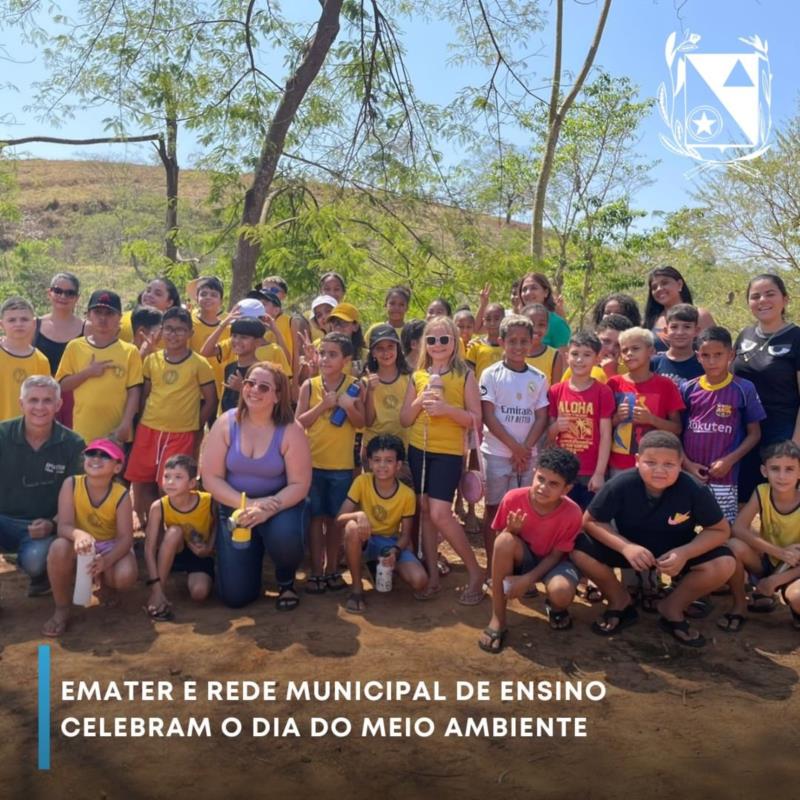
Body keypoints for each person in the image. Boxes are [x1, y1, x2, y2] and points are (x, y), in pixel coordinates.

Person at [571, 431, 735, 647]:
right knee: (579, 549)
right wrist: (626, 547)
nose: (659, 470)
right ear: (637, 461)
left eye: (669, 464)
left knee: (725, 562)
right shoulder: (620, 484)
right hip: (630, 552)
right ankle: (620, 601)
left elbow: (720, 530)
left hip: (675, 553)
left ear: (680, 464)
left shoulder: (694, 489)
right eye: (651, 462)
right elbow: (590, 521)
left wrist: (685, 553)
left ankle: (672, 608)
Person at [202, 362, 311, 610]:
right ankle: (251, 553)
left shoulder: (291, 429)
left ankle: (285, 580)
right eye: (250, 383)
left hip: (279, 506)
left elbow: (299, 484)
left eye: (264, 387)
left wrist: (266, 510)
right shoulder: (226, 422)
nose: (254, 390)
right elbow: (211, 478)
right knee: (236, 597)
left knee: (285, 536)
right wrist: (249, 505)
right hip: (235, 506)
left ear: (277, 395)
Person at [399, 315, 486, 603]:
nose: (437, 344)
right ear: (425, 343)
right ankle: (433, 577)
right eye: (432, 339)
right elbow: (405, 419)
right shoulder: (418, 375)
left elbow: (476, 419)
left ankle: (475, 572)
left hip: (448, 452)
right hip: (418, 448)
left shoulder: (465, 375)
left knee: (439, 513)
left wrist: (447, 410)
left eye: (444, 339)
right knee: (425, 510)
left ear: (455, 342)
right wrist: (420, 399)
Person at [479, 448, 583, 653]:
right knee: (504, 541)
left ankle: (555, 607)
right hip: (524, 557)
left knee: (561, 593)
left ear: (566, 489)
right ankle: (498, 618)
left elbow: (556, 555)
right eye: (541, 479)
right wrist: (512, 530)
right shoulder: (512, 498)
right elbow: (501, 543)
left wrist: (527, 580)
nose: (543, 487)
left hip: (555, 563)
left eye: (553, 484)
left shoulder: (573, 513)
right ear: (534, 473)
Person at [125, 307, 217, 526]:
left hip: (180, 433)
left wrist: (196, 425)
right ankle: (150, 528)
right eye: (168, 329)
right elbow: (144, 395)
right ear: (161, 331)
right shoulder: (152, 360)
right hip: (148, 429)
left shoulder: (199, 364)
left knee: (169, 484)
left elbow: (211, 400)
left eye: (180, 330)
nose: (173, 334)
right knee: (143, 480)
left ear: (190, 333)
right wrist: (139, 422)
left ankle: (172, 529)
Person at [0, 375, 84, 598]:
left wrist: (52, 523)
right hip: (3, 520)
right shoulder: (2, 435)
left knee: (36, 560)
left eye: (47, 400)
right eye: (33, 400)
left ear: (58, 404)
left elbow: (78, 496)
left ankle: (42, 576)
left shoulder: (73, 444)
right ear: (21, 404)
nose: (40, 407)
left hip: (43, 527)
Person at [43, 438, 137, 636]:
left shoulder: (121, 494)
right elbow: (63, 526)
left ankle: (106, 583)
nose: (96, 458)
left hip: (110, 546)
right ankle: (62, 608)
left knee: (125, 575)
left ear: (117, 467)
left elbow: (125, 539)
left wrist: (106, 561)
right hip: (80, 546)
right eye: (91, 453)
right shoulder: (71, 484)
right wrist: (79, 534)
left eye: (105, 455)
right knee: (59, 547)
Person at [296, 332, 365, 593]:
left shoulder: (355, 386)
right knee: (316, 519)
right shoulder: (309, 385)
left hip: (342, 467)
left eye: (332, 354)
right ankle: (316, 570)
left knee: (336, 520)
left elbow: (361, 423)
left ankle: (333, 568)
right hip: (313, 465)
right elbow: (299, 422)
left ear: (346, 360)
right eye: (322, 353)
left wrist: (348, 406)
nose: (325, 359)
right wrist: (323, 406)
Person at [479, 315, 549, 570]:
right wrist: (514, 448)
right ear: (502, 342)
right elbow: (488, 415)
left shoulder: (539, 377)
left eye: (524, 341)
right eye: (512, 341)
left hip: (528, 457)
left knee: (524, 511)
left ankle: (517, 567)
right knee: (494, 509)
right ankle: (492, 568)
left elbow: (541, 416)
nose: (518, 346)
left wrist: (525, 449)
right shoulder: (490, 374)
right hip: (497, 454)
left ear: (532, 342)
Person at [681, 327, 764, 522]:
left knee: (722, 527)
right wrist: (687, 464)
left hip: (724, 476)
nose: (712, 361)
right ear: (698, 356)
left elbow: (755, 434)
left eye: (718, 354)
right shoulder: (687, 388)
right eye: (706, 355)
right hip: (690, 473)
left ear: (731, 354)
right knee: (684, 524)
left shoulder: (744, 388)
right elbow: (677, 431)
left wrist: (729, 461)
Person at [339, 435, 427, 613]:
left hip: (389, 543)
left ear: (398, 465)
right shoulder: (361, 482)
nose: (382, 465)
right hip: (365, 539)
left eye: (389, 460)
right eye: (377, 460)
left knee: (419, 581)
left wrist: (394, 551)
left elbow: (405, 535)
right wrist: (358, 514)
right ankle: (357, 589)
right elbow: (339, 519)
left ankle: (380, 564)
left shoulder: (407, 495)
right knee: (351, 528)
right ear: (370, 463)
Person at [732, 273, 800, 501]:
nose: (762, 300)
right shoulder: (744, 335)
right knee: (743, 497)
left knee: (781, 500)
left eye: (770, 294)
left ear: (785, 299)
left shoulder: (796, 337)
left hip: (782, 430)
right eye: (755, 296)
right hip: (745, 431)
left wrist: (795, 444)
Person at [721, 441, 800, 632]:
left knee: (797, 597)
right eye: (775, 469)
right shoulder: (762, 491)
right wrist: (779, 552)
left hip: (795, 569)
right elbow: (738, 528)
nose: (782, 476)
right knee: (733, 545)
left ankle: (789, 605)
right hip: (770, 561)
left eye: (789, 469)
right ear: (764, 471)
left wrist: (775, 580)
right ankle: (740, 605)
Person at [56, 289, 143, 444]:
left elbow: (134, 392)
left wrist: (126, 424)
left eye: (109, 313)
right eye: (97, 312)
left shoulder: (130, 351)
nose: (103, 318)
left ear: (119, 318)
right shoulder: (75, 347)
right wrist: (87, 373)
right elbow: (62, 385)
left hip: (115, 430)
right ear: (88, 315)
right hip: (83, 429)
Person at [144, 454, 215, 621]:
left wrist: (209, 548)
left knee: (199, 593)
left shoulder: (208, 501)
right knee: (174, 532)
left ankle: (195, 576)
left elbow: (218, 525)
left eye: (178, 477)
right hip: (174, 551)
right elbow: (149, 549)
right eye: (166, 476)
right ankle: (160, 591)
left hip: (200, 554)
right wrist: (156, 589)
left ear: (191, 483)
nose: (170, 482)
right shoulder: (159, 506)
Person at [547, 331, 614, 510]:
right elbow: (549, 436)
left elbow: (606, 435)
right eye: (575, 354)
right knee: (560, 515)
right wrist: (556, 427)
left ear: (597, 359)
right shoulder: (555, 391)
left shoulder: (603, 392)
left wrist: (599, 473)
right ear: (566, 356)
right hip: (562, 470)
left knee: (587, 518)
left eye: (587, 355)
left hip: (590, 471)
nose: (579, 360)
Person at [607, 327, 683, 473]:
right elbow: (602, 426)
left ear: (651, 351)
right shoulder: (613, 384)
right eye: (624, 350)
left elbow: (677, 428)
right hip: (619, 464)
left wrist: (651, 419)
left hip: (655, 465)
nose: (629, 353)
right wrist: (617, 418)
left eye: (635, 348)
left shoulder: (666, 385)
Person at [34, 272, 86, 426]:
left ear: (77, 298)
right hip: (40, 397)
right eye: (58, 291)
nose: (63, 296)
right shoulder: (34, 325)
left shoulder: (87, 328)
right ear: (49, 293)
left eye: (69, 293)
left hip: (75, 398)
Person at [362, 324, 412, 453]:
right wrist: (370, 391)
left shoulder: (410, 378)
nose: (386, 353)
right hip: (375, 451)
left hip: (404, 448)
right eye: (380, 348)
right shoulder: (365, 382)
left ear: (398, 348)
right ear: (373, 352)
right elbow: (368, 421)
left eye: (390, 347)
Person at [0, 296, 50, 422]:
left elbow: (45, 400)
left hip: (28, 429)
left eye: (24, 319)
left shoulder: (41, 360)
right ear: (2, 325)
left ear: (34, 323)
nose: (18, 324)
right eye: (12, 320)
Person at [643, 266, 714, 352]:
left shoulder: (700, 315)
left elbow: (716, 350)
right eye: (654, 287)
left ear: (680, 284)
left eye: (664, 283)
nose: (659, 289)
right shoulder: (651, 321)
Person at [650, 304, 704, 387]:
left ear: (696, 331)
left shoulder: (703, 363)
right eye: (674, 327)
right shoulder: (654, 363)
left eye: (687, 327)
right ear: (666, 331)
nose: (680, 332)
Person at [119, 276, 180, 343]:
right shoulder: (123, 320)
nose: (150, 295)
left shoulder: (177, 331)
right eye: (148, 291)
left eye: (158, 294)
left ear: (169, 302)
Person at [518, 272, 570, 348]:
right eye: (524, 289)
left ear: (546, 292)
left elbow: (562, 354)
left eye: (534, 288)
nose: (528, 293)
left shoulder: (557, 323)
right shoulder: (516, 322)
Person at [522, 303, 564, 385]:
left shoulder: (555, 356)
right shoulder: (513, 353)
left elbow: (555, 389)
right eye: (530, 324)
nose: (535, 329)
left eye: (541, 325)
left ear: (547, 328)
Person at [466, 303, 505, 381]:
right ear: (483, 321)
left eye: (496, 319)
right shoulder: (475, 346)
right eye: (488, 319)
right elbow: (468, 376)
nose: (492, 323)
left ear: (504, 320)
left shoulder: (509, 347)